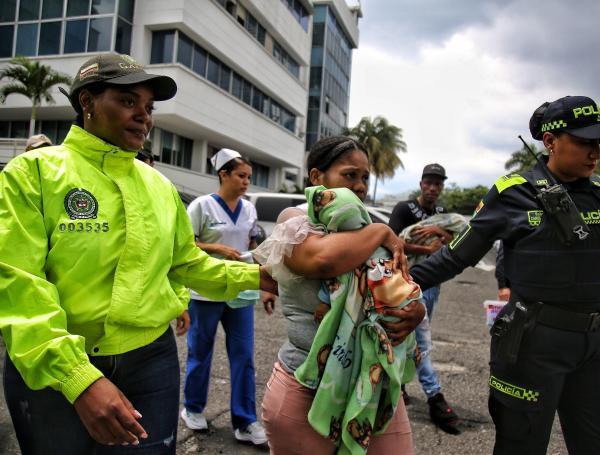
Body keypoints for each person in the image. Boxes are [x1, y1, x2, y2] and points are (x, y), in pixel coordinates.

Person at [0, 54, 276, 455]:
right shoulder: (32, 174)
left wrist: (258, 276)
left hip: (151, 363)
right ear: (87, 103)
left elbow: (184, 263)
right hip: (53, 366)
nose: (143, 117)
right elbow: (17, 283)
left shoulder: (159, 187)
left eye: (148, 108)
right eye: (128, 102)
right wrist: (78, 378)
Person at [409, 95, 600, 454]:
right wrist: (394, 286)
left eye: (598, 143)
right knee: (521, 444)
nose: (595, 151)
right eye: (584, 141)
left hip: (593, 346)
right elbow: (455, 256)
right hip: (532, 344)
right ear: (550, 141)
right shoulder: (512, 193)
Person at [255, 136, 426, 454]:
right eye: (350, 175)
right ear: (317, 178)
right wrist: (379, 231)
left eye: (364, 178)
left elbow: (401, 285)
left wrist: (415, 311)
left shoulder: (367, 227)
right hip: (305, 387)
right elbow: (322, 260)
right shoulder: (294, 220)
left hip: (373, 386)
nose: (360, 186)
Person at [180, 148, 267, 445]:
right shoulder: (202, 207)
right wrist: (217, 249)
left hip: (241, 291)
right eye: (241, 176)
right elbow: (185, 246)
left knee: (244, 357)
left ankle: (245, 421)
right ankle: (193, 408)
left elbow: (252, 242)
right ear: (224, 175)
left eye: (249, 178)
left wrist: (264, 279)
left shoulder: (249, 209)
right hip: (205, 290)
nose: (246, 182)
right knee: (200, 353)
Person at [388, 163, 461, 434]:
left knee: (417, 335)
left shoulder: (442, 214)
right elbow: (392, 239)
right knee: (418, 336)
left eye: (438, 184)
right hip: (406, 280)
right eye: (428, 182)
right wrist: (426, 247)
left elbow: (454, 237)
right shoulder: (405, 209)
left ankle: (399, 384)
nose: (432, 188)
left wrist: (440, 233)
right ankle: (434, 396)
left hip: (433, 283)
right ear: (421, 184)